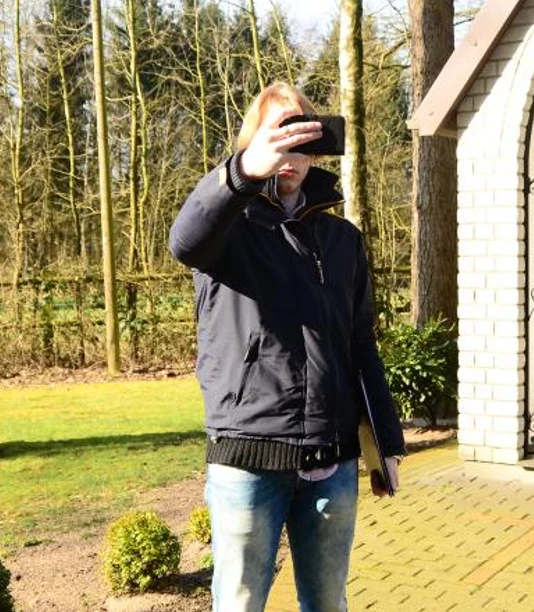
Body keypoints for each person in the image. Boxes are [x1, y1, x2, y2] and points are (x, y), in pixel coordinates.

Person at [168, 82, 406, 612]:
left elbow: (360, 343)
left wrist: (385, 441)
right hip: (248, 460)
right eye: (277, 136)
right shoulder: (227, 229)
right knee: (240, 601)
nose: (288, 155)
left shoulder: (342, 240)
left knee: (328, 603)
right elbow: (183, 240)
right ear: (252, 143)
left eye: (300, 140)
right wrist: (242, 173)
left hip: (332, 460)